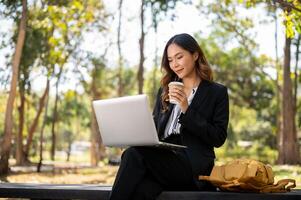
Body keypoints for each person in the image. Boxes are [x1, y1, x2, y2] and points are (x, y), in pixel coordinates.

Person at [109, 33, 229, 200]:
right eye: (170, 60)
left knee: (133, 155)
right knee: (140, 189)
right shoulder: (165, 90)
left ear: (195, 55)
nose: (175, 64)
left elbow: (218, 137)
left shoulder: (216, 92)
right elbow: (155, 130)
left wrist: (186, 109)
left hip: (193, 165)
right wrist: (135, 135)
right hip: (163, 159)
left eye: (179, 57)